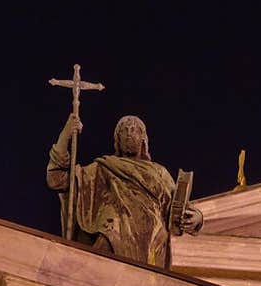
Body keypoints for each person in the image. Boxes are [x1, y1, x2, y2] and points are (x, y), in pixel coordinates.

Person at [46, 113, 202, 268]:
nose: (129, 134)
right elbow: (57, 180)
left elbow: (178, 205)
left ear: (143, 138)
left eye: (134, 130)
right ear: (118, 139)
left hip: (152, 238)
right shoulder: (103, 167)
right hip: (112, 230)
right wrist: (65, 135)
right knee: (107, 239)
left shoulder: (159, 172)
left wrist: (197, 218)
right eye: (124, 130)